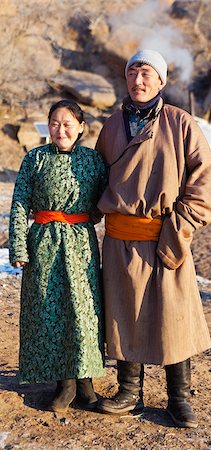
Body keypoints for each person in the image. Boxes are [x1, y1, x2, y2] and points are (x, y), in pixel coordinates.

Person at [95, 49, 211, 428]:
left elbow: (205, 182)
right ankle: (129, 393)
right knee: (124, 315)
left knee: (174, 318)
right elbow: (95, 180)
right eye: (133, 72)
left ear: (162, 81)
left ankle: (178, 399)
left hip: (166, 236)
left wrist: (179, 227)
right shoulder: (112, 126)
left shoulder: (181, 124)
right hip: (119, 239)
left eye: (147, 73)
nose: (139, 80)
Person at [9, 99, 108, 413]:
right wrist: (19, 247)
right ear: (48, 126)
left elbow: (104, 201)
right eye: (55, 123)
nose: (61, 129)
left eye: (68, 124)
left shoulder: (93, 161)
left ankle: (86, 384)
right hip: (44, 245)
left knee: (84, 312)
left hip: (81, 245)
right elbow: (20, 204)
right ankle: (64, 384)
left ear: (80, 127)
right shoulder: (35, 159)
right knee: (50, 312)